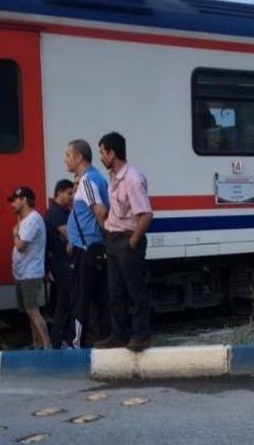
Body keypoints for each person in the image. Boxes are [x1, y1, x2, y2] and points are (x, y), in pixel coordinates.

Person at [94, 132, 154, 353]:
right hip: (113, 239)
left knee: (135, 291)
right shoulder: (114, 177)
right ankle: (119, 335)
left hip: (127, 240)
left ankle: (140, 336)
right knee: (115, 291)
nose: (100, 157)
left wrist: (133, 242)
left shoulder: (132, 179)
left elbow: (145, 215)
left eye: (102, 152)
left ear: (112, 152)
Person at [64, 139, 112, 348]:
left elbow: (100, 211)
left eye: (68, 155)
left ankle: (76, 341)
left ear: (79, 157)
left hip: (87, 249)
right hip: (90, 246)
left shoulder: (87, 181)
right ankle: (106, 336)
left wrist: (104, 238)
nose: (65, 160)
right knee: (100, 296)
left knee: (80, 297)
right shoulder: (95, 178)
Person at [9, 186, 50, 350]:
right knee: (30, 310)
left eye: (14, 200)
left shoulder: (33, 219)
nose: (12, 203)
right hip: (23, 272)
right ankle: (37, 344)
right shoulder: (24, 219)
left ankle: (47, 345)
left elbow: (21, 246)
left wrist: (15, 233)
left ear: (24, 200)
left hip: (30, 272)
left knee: (32, 310)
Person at [45, 179, 75, 349]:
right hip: (61, 264)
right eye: (69, 193)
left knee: (64, 302)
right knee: (65, 302)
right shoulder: (55, 213)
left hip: (61, 263)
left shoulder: (61, 212)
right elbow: (69, 233)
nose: (72, 197)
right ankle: (59, 339)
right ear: (59, 193)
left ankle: (60, 338)